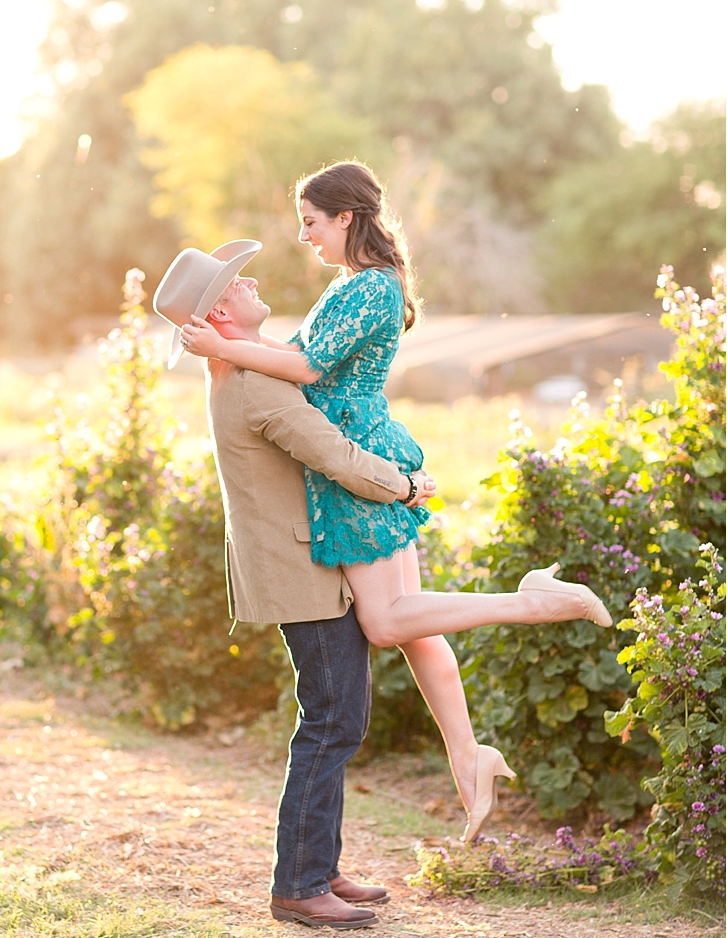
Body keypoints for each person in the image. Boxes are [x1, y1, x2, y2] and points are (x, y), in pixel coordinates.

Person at [175, 162, 612, 843]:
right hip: (355, 452)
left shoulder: (373, 288)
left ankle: (529, 602)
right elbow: (295, 355)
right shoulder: (349, 285)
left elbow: (307, 368)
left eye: (311, 222)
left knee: (385, 621)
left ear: (345, 217)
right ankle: (469, 759)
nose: (304, 235)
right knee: (413, 628)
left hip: (358, 459)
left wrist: (221, 344)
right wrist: (228, 346)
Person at [154, 241, 439, 927]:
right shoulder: (254, 385)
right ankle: (300, 885)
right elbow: (332, 454)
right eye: (235, 282)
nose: (250, 281)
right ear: (220, 314)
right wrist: (403, 486)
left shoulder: (245, 370)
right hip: (298, 568)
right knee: (332, 719)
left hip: (302, 561)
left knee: (338, 716)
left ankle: (320, 867)